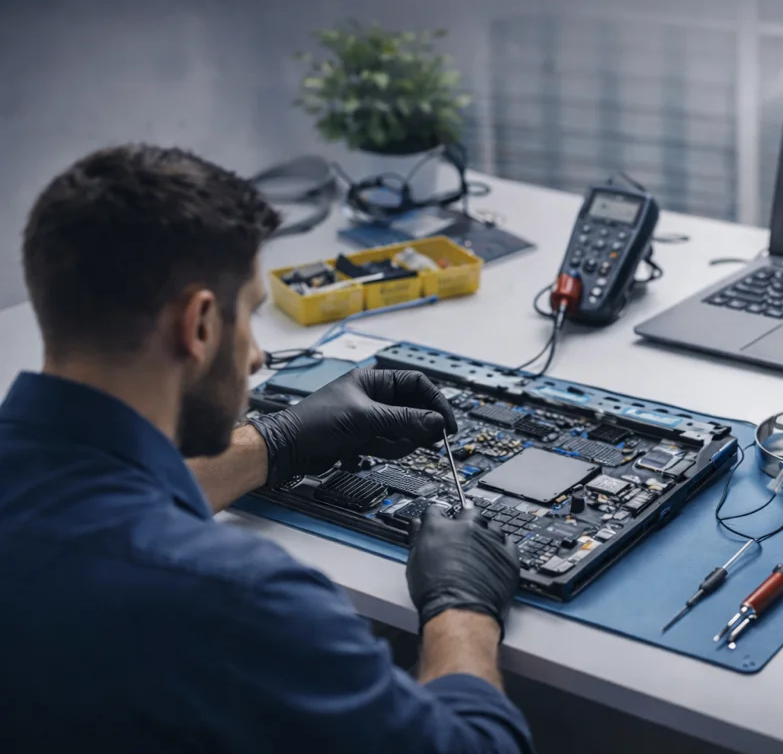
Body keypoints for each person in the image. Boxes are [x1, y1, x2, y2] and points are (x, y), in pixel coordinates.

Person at [0, 145, 533, 752]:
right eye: (250, 316)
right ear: (199, 326)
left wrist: (277, 442)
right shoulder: (242, 600)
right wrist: (461, 607)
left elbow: (89, 502)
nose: (255, 356)